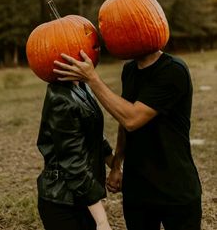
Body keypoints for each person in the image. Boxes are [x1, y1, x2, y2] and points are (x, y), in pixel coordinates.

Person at [53, 49, 202, 230]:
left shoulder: (173, 70)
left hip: (176, 188)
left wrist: (92, 79)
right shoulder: (129, 70)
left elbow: (132, 119)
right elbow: (123, 120)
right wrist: (117, 165)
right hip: (137, 189)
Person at [36, 78, 114, 230]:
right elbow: (73, 162)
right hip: (63, 202)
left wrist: (116, 165)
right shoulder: (60, 98)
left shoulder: (81, 85)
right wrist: (102, 221)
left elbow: (94, 135)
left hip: (83, 199)